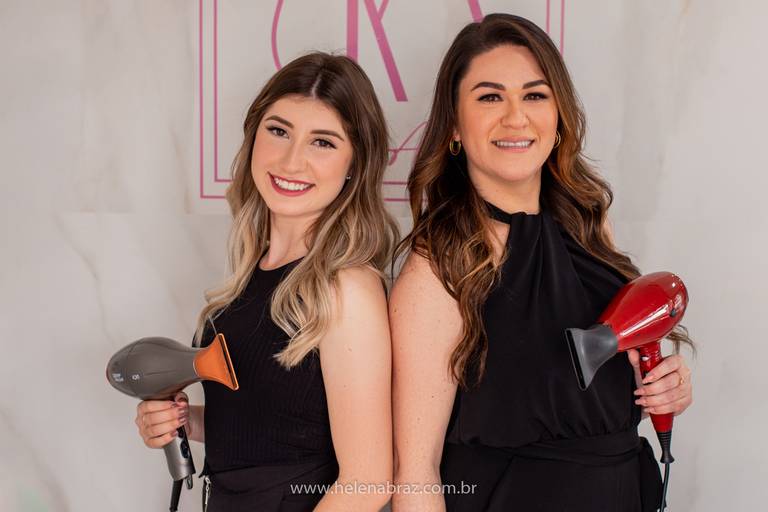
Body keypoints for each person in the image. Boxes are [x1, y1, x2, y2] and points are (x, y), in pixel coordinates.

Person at [390, 14, 694, 512]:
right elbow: (415, 472)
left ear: (558, 118)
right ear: (454, 127)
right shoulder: (441, 267)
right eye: (490, 98)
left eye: (534, 95)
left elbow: (596, 397)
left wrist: (662, 389)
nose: (516, 118)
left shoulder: (589, 227)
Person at [133, 52, 397, 511]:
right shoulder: (250, 275)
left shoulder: (346, 288)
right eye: (279, 131)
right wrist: (184, 422)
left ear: (355, 163)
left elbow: (368, 481)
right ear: (254, 137)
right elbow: (275, 429)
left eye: (323, 142)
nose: (292, 161)